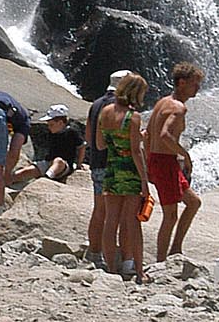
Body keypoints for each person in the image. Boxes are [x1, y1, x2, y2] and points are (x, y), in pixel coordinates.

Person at [145, 60, 204, 260]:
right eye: (194, 83)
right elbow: (164, 135)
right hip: (165, 161)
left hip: (158, 160)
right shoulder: (178, 108)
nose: (198, 87)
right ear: (181, 83)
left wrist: (148, 163)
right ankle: (160, 260)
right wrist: (185, 155)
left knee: (193, 202)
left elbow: (147, 135)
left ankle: (176, 248)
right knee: (170, 216)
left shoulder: (162, 102)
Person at [96, 72, 150, 280]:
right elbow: (136, 151)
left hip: (111, 169)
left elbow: (100, 144)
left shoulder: (105, 112)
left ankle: (110, 268)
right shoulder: (133, 117)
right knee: (132, 222)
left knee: (111, 220)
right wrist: (144, 181)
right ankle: (139, 270)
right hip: (130, 172)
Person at [84, 70, 131, 266]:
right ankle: (117, 259)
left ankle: (95, 253)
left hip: (96, 162)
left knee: (99, 210)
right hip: (114, 164)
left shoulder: (95, 105)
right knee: (117, 215)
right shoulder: (119, 107)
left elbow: (88, 136)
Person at [23, 104, 83, 183]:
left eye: (51, 124)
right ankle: (9, 179)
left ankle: (47, 178)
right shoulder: (52, 132)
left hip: (64, 165)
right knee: (26, 171)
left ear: (60, 123)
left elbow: (81, 146)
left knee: (58, 161)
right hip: (49, 162)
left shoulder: (72, 132)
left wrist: (79, 164)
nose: (49, 127)